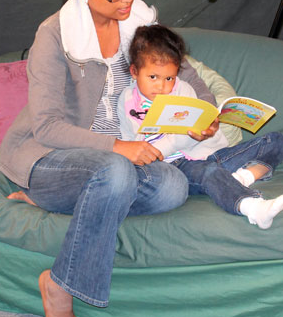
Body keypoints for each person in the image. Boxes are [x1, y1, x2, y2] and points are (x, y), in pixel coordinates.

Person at [0, 0, 219, 317]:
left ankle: (65, 198)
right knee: (116, 171)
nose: (126, 0)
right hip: (49, 154)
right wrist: (120, 146)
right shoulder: (54, 34)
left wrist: (205, 114)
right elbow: (47, 126)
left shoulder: (139, 22)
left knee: (171, 186)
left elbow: (185, 73)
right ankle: (60, 286)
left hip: (111, 162)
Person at [118, 24, 283, 229]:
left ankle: (240, 177)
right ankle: (253, 207)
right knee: (208, 172)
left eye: (169, 78)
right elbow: (130, 142)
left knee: (275, 140)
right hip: (174, 167)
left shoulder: (183, 89)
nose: (161, 86)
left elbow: (189, 132)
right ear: (134, 71)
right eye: (153, 77)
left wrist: (204, 125)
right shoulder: (126, 100)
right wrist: (151, 150)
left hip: (207, 155)